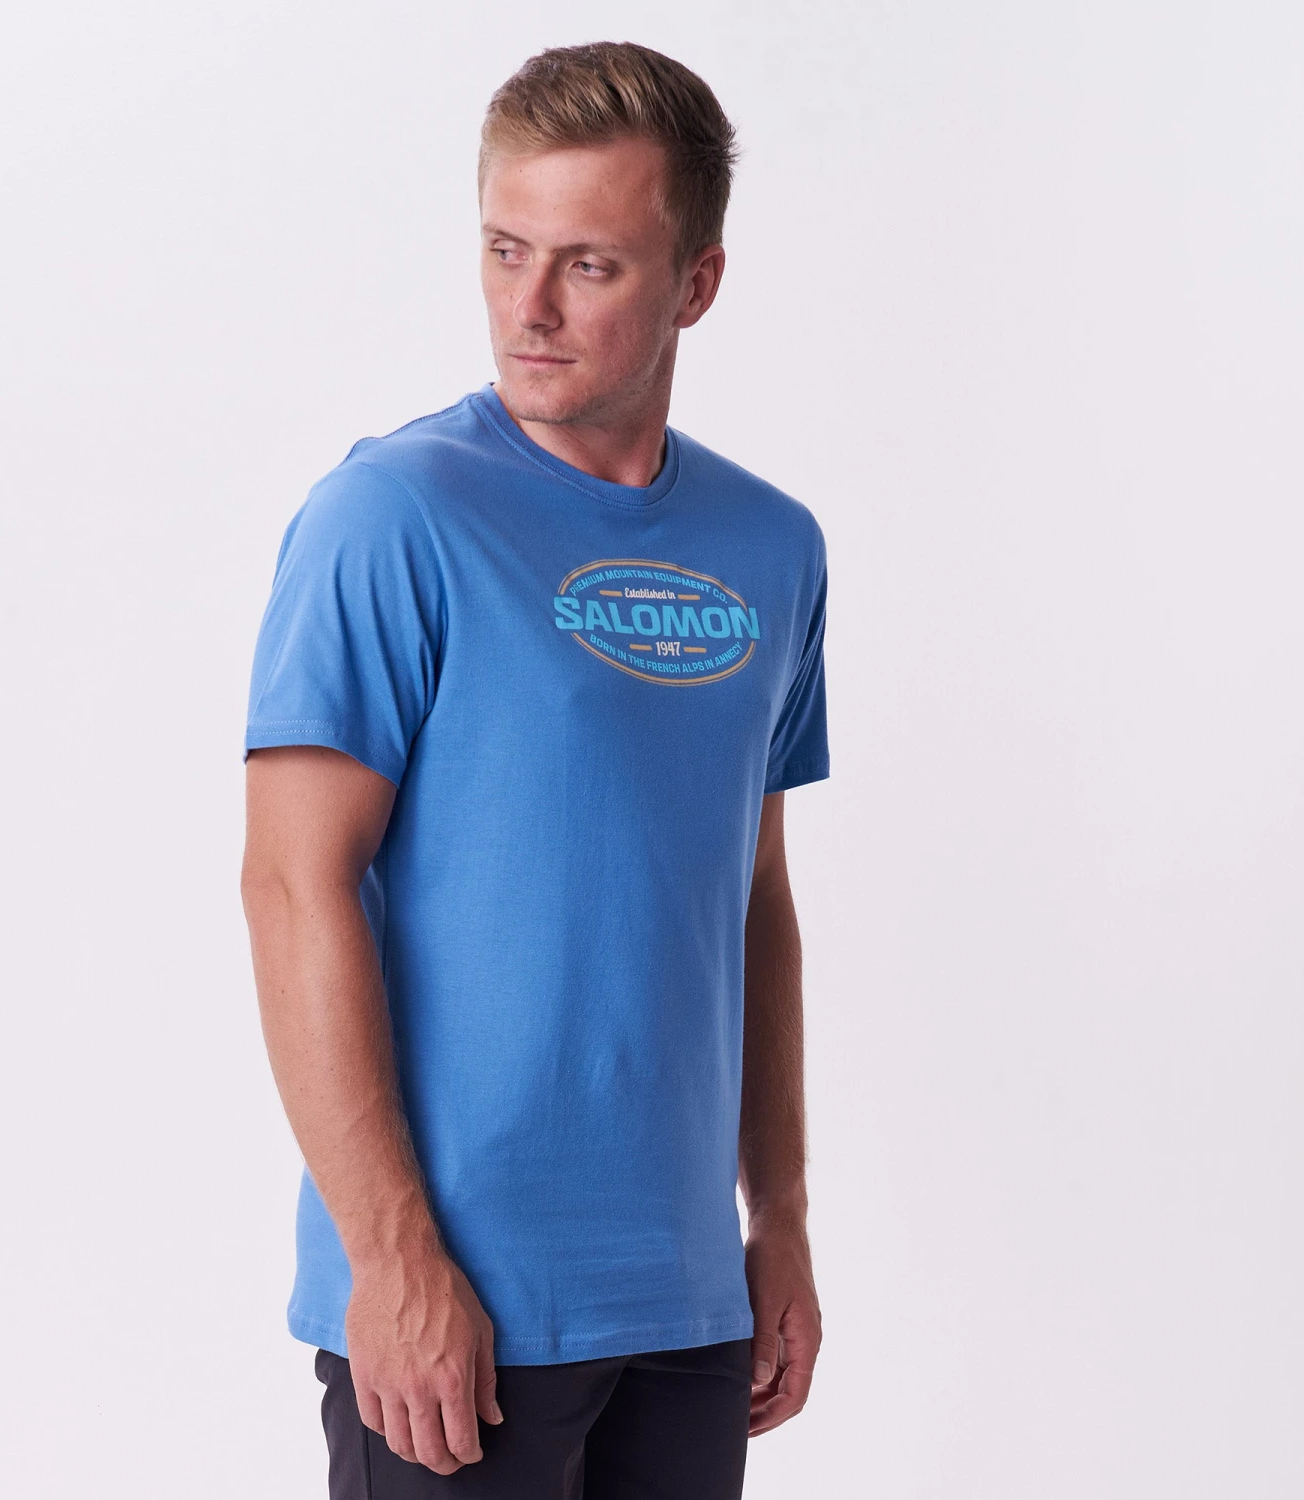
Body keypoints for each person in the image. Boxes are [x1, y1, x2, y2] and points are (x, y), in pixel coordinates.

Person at [240, 40, 829, 1499]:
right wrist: (392, 1258)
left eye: (590, 265)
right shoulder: (392, 517)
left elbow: (751, 893)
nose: (530, 306)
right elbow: (294, 884)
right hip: (456, 1306)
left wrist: (780, 1218)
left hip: (685, 1301)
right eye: (506, 250)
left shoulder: (771, 547)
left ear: (695, 284)